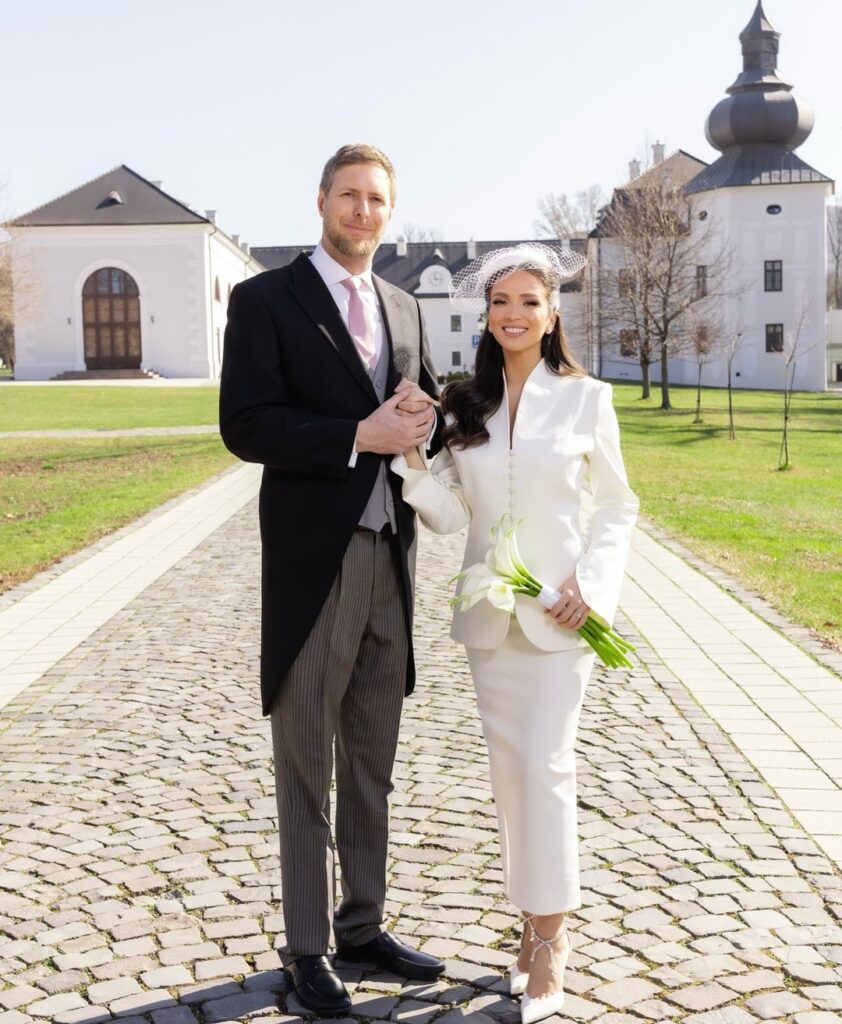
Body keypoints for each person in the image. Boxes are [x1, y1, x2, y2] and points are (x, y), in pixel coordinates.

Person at [219, 144, 445, 1016]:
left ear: (392, 211)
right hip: (317, 560)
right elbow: (246, 423)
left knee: (373, 760)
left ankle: (363, 926)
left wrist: (422, 413)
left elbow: (412, 400)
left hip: (394, 556)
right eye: (348, 196)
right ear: (321, 201)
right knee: (307, 759)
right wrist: (359, 435)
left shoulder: (404, 302)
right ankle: (308, 949)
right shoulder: (266, 298)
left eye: (377, 199)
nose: (362, 211)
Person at [391, 244, 639, 1024]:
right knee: (510, 780)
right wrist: (412, 467)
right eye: (502, 301)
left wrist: (590, 589)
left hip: (563, 619)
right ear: (486, 314)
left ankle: (551, 944)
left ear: (553, 312)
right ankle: (528, 927)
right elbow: (455, 518)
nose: (514, 314)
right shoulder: (465, 404)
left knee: (546, 767)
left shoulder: (588, 398)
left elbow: (617, 507)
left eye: (530, 301)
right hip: (488, 621)